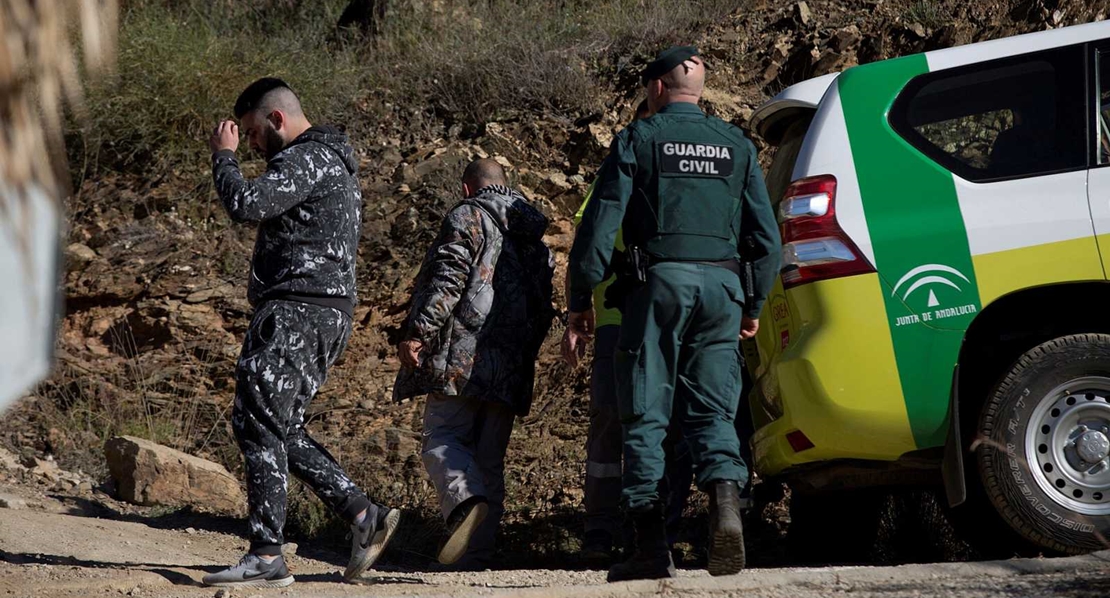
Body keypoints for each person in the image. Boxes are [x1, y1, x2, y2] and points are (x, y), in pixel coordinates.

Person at [565, 46, 782, 581]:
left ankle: (649, 548)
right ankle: (725, 509)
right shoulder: (736, 144)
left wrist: (578, 301)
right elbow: (767, 241)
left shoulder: (638, 138)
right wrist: (752, 304)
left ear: (657, 87)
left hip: (659, 290)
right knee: (712, 410)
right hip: (724, 292)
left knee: (645, 410)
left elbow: (597, 228)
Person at [203, 77, 400, 588]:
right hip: (320, 311)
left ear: (276, 120)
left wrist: (223, 157)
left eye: (249, 133)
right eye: (240, 139)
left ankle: (267, 555)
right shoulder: (331, 162)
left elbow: (246, 203)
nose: (248, 143)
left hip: (297, 309)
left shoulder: (305, 159)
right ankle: (362, 514)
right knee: (278, 425)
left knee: (257, 422)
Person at [394, 159, 556, 569]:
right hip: (511, 365)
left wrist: (419, 332)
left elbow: (447, 280)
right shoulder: (534, 236)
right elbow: (543, 309)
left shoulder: (468, 215)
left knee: (443, 438)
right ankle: (476, 555)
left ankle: (465, 503)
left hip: (461, 355)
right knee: (489, 458)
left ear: (468, 189)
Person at [564, 100, 652, 564]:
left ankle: (608, 530)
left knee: (611, 429)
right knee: (641, 427)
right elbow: (584, 246)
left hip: (621, 324)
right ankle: (639, 530)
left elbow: (585, 246)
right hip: (651, 322)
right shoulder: (660, 171)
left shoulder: (615, 173)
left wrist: (575, 314)